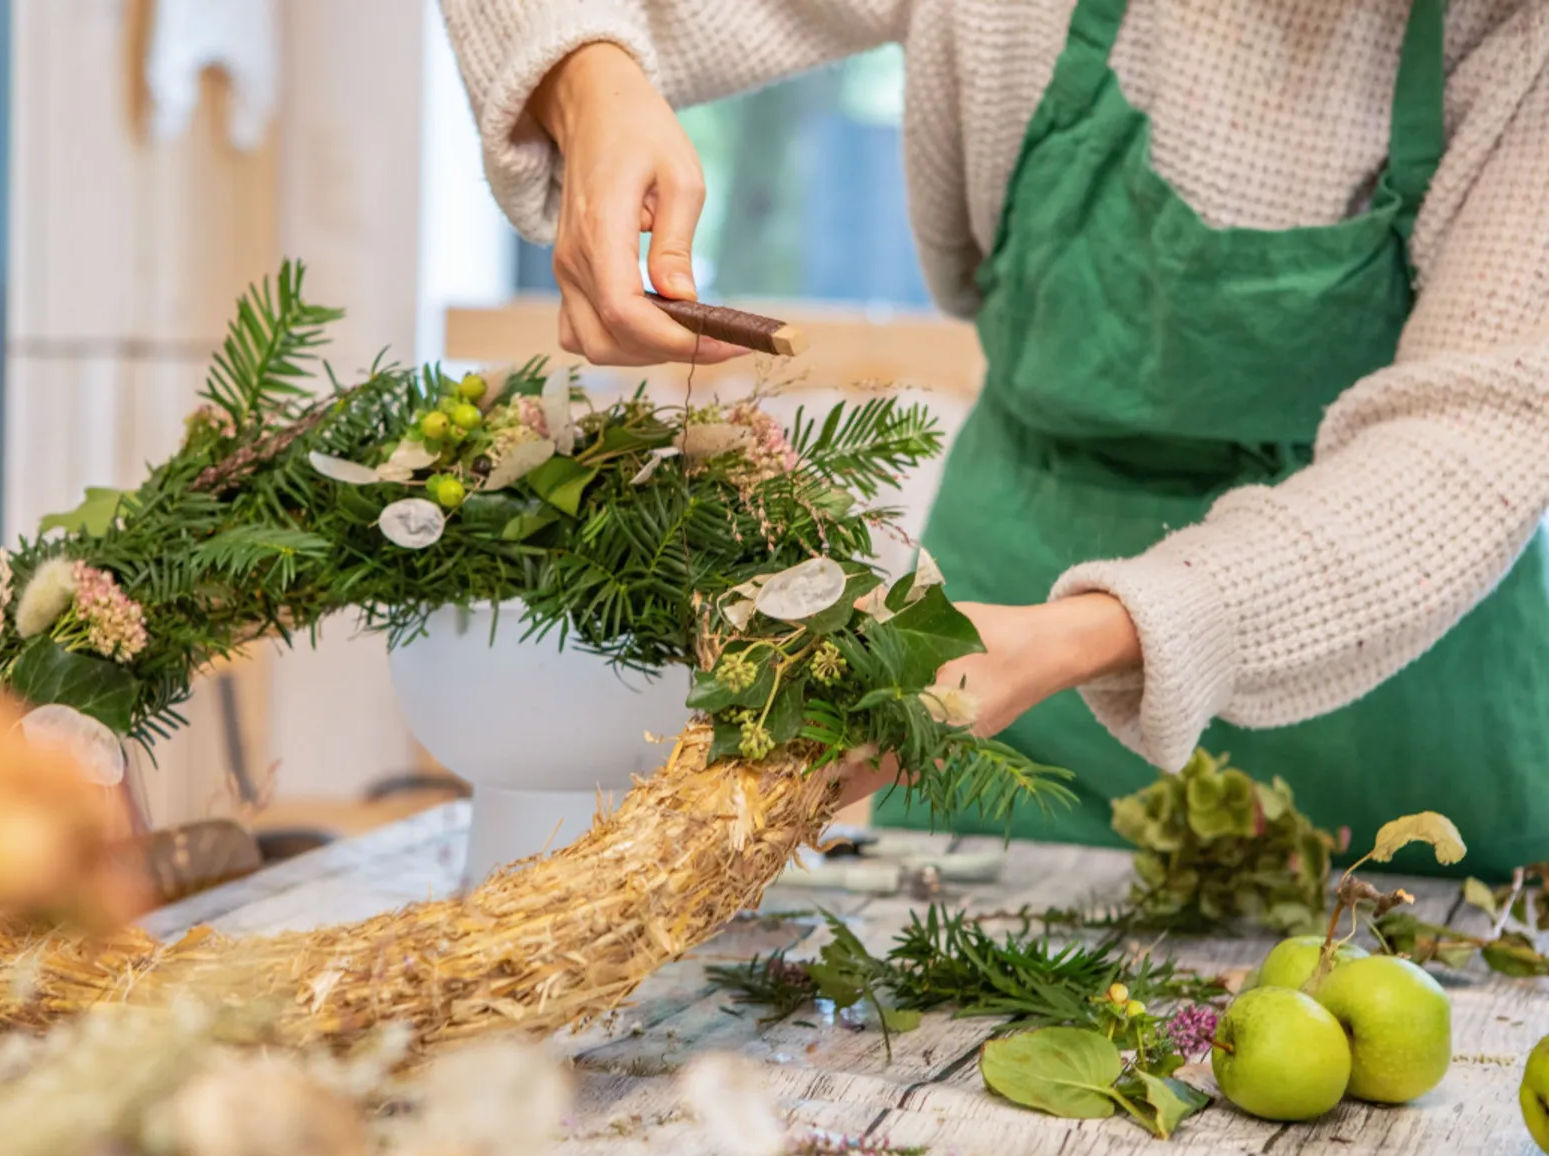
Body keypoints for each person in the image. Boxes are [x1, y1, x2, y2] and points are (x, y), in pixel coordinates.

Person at [439, 0, 1549, 877]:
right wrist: (588, 83)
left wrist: (1074, 639)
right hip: (1001, 638)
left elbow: (1476, 433)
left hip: (1398, 686)